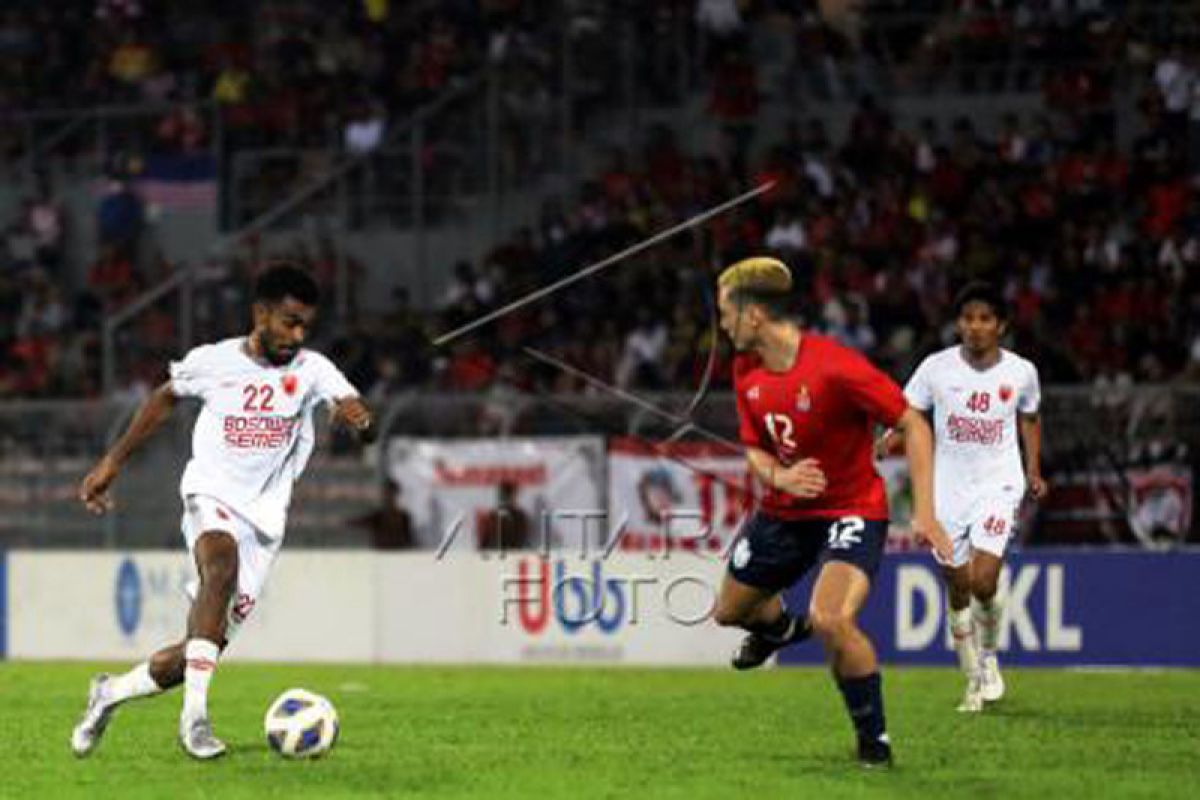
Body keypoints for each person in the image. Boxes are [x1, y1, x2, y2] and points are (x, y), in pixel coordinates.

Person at [71, 264, 375, 760]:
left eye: (304, 326)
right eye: (288, 321)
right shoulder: (213, 361)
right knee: (220, 566)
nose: (297, 335)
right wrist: (111, 462)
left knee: (196, 650)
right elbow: (164, 398)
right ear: (261, 313)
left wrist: (361, 423)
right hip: (210, 493)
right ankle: (195, 722)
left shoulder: (313, 370)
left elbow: (360, 415)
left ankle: (109, 692)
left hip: (265, 522)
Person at [711, 256, 950, 769]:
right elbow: (755, 447)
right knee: (730, 612)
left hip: (851, 509)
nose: (721, 324)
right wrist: (779, 476)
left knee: (832, 619)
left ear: (753, 316)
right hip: (783, 512)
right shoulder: (744, 368)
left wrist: (926, 512)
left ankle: (874, 745)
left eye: (725, 313)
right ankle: (779, 630)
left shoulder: (835, 367)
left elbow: (913, 423)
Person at [880, 281, 1046, 712]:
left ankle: (989, 659)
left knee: (983, 580)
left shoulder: (1021, 372)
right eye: (968, 318)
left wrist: (1032, 470)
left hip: (998, 483)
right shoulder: (936, 368)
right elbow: (909, 411)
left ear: (1001, 326)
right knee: (956, 586)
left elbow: (1029, 417)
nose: (975, 327)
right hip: (947, 488)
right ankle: (971, 677)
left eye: (985, 319)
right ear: (958, 323)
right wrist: (889, 437)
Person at [352, 479, 415, 550]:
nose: (388, 497)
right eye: (386, 493)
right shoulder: (377, 516)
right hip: (381, 555)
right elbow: (358, 522)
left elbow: (409, 539)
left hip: (396, 555)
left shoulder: (403, 516)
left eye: (390, 494)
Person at [477, 480, 533, 551]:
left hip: (503, 555)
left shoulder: (492, 516)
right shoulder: (520, 516)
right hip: (503, 555)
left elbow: (484, 543)